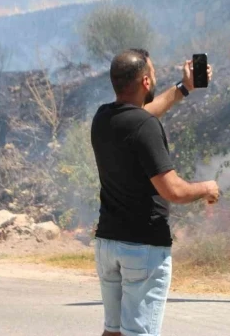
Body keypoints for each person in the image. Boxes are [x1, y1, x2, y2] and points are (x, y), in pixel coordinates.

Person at [90, 48, 220, 336]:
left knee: (113, 332)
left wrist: (184, 88)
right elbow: (173, 190)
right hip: (143, 248)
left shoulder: (103, 117)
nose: (156, 78)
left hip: (108, 244)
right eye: (154, 73)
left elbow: (144, 114)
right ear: (146, 82)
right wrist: (206, 188)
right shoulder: (144, 126)